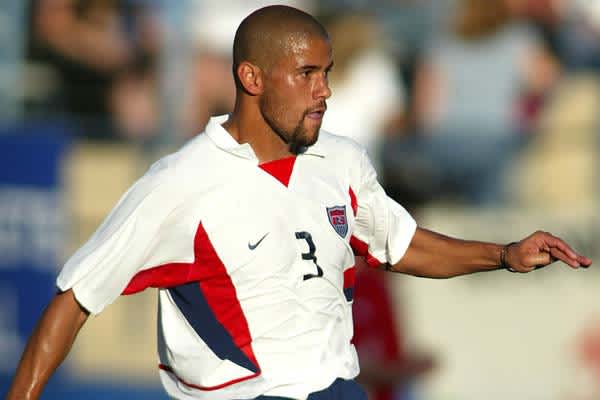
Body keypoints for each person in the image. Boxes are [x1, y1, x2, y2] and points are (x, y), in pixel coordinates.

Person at [7, 5, 592, 400]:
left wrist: (504, 254)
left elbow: (403, 245)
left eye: (328, 72)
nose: (325, 90)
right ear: (252, 78)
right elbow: (74, 300)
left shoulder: (341, 160)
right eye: (307, 73)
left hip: (338, 389)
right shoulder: (179, 183)